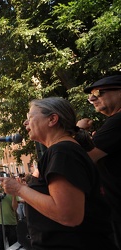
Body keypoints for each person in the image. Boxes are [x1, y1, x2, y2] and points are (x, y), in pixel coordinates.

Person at [0, 97, 116, 249]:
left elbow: (68, 215)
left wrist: (19, 189)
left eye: (30, 117)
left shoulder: (63, 152)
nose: (25, 123)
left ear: (52, 119)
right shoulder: (62, 151)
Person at [78, 75, 121, 249]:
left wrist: (78, 130)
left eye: (98, 92)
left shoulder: (118, 122)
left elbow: (82, 159)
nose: (92, 98)